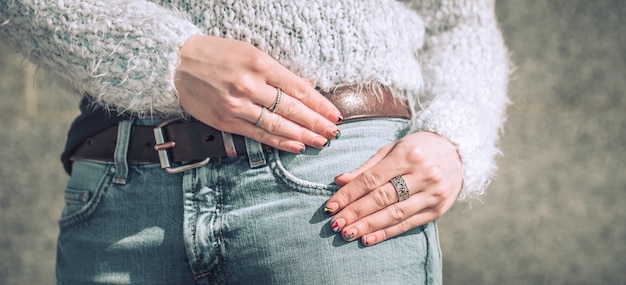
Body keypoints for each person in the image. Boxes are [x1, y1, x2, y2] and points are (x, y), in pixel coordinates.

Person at [1, 0, 509, 284]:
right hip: (125, 201)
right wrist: (167, 58)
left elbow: (458, 19)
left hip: (335, 188)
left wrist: (457, 136)